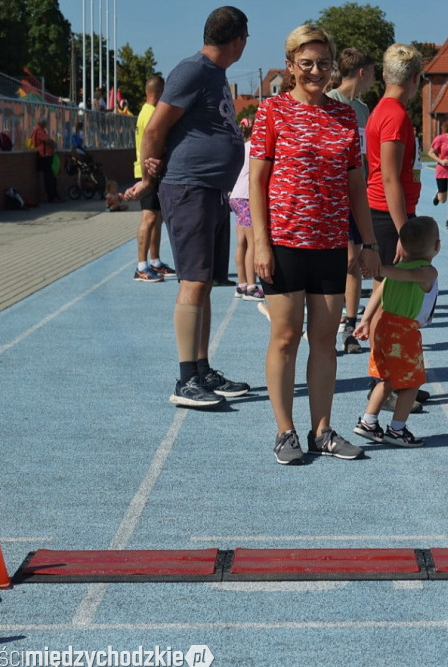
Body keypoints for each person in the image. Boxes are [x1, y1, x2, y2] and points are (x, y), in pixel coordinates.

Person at [250, 24, 381, 465]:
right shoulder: (272, 111)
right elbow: (257, 181)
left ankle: (321, 429)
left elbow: (356, 185)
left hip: (329, 244)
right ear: (290, 67)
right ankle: (285, 431)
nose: (315, 71)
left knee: (324, 341)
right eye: (306, 63)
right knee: (285, 337)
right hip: (284, 242)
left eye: (323, 64)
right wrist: (260, 244)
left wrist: (367, 241)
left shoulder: (345, 116)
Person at [124, 6, 251, 408]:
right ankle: (184, 379)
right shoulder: (192, 70)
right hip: (189, 189)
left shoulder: (214, 74)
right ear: (238, 40)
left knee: (206, 284)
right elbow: (157, 126)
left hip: (212, 191)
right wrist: (149, 173)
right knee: (193, 283)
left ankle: (202, 368)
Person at [353, 216, 439, 448]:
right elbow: (412, 277)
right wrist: (381, 269)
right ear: (437, 246)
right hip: (403, 331)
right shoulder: (428, 272)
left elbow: (378, 293)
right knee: (412, 383)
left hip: (384, 327)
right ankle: (397, 429)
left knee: (388, 378)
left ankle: (368, 421)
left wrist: (365, 320)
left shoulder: (397, 268)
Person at [327, 47, 376, 354]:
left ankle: (349, 325)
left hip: (357, 193)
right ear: (361, 72)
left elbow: (364, 154)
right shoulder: (329, 102)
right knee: (342, 260)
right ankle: (325, 324)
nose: (374, 79)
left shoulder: (362, 109)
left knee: (355, 261)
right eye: (371, 73)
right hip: (332, 196)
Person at [365, 43, 423, 270]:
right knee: (394, 289)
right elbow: (389, 178)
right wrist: (404, 231)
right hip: (389, 215)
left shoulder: (384, 110)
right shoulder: (394, 116)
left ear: (384, 75)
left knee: (384, 290)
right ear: (416, 78)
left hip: (389, 212)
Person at [132, 74, 175, 283]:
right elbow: (152, 141)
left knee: (156, 217)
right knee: (149, 217)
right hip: (149, 170)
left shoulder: (145, 111)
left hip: (151, 170)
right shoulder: (151, 114)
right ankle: (141, 266)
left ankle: (155, 261)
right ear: (159, 93)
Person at [230, 124, 262, 301]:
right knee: (253, 243)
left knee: (241, 243)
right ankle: (251, 285)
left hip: (236, 196)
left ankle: (242, 284)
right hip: (247, 197)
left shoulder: (241, 148)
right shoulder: (255, 148)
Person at [30, 118, 63, 203]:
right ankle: (52, 196)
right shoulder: (39, 131)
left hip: (47, 155)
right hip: (45, 156)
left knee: (51, 177)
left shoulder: (41, 130)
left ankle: (54, 195)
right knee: (49, 177)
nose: (46, 125)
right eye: (45, 123)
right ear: (42, 123)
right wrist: (54, 143)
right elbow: (47, 140)